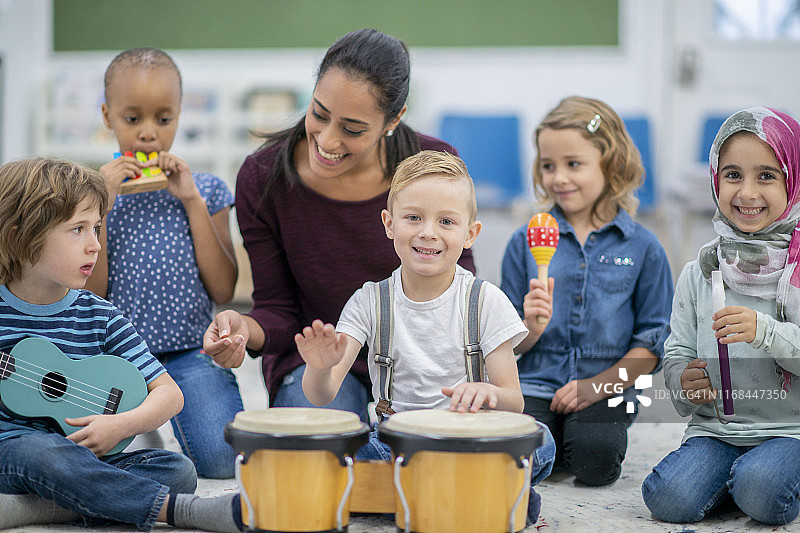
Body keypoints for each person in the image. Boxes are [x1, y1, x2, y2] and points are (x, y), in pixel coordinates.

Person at [203, 29, 473, 421]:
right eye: (319, 113)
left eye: (352, 129)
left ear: (393, 119)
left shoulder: (433, 165)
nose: (327, 140)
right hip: (316, 361)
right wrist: (242, 329)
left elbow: (459, 285)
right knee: (320, 454)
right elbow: (277, 311)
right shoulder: (263, 177)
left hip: (419, 358)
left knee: (430, 453)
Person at [295, 150, 555, 525]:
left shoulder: (484, 300)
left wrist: (489, 395)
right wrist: (319, 369)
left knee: (540, 439)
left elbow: (512, 401)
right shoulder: (370, 301)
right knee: (343, 452)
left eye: (446, 221)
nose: (428, 232)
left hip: (468, 441)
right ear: (389, 223)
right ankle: (481, 494)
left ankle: (408, 493)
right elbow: (321, 394)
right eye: (413, 217)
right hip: (395, 443)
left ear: (470, 234)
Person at [0, 158, 243, 532]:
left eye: (96, 228)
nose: (95, 245)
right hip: (15, 454)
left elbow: (170, 395)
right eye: (78, 229)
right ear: (18, 236)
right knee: (39, 450)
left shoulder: (100, 315)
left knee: (176, 469)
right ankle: (176, 512)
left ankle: (44, 508)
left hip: (82, 458)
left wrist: (120, 425)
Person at [85, 47, 242, 479]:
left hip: (191, 352)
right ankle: (148, 433)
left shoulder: (205, 189)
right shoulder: (91, 196)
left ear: (178, 116)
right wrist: (100, 209)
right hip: (117, 358)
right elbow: (89, 296)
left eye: (164, 119)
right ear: (107, 115)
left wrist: (190, 199)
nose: (148, 134)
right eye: (132, 119)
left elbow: (223, 289)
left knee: (222, 462)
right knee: (93, 450)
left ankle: (154, 427)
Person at [500, 96, 673, 486]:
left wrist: (597, 387)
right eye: (548, 166)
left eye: (573, 164)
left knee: (596, 463)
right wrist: (530, 328)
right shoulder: (523, 241)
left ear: (611, 164)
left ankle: (566, 438)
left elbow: (651, 347)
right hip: (534, 380)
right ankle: (555, 437)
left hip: (608, 383)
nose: (558, 178)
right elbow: (504, 345)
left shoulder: (644, 248)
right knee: (513, 459)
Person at [642, 107, 800, 525]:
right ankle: (741, 480)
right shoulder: (700, 271)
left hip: (791, 432)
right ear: (715, 180)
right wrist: (682, 381)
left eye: (766, 176)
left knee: (763, 491)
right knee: (668, 499)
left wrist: (764, 331)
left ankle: (753, 481)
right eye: (732, 175)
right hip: (717, 432)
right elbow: (676, 351)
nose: (746, 192)